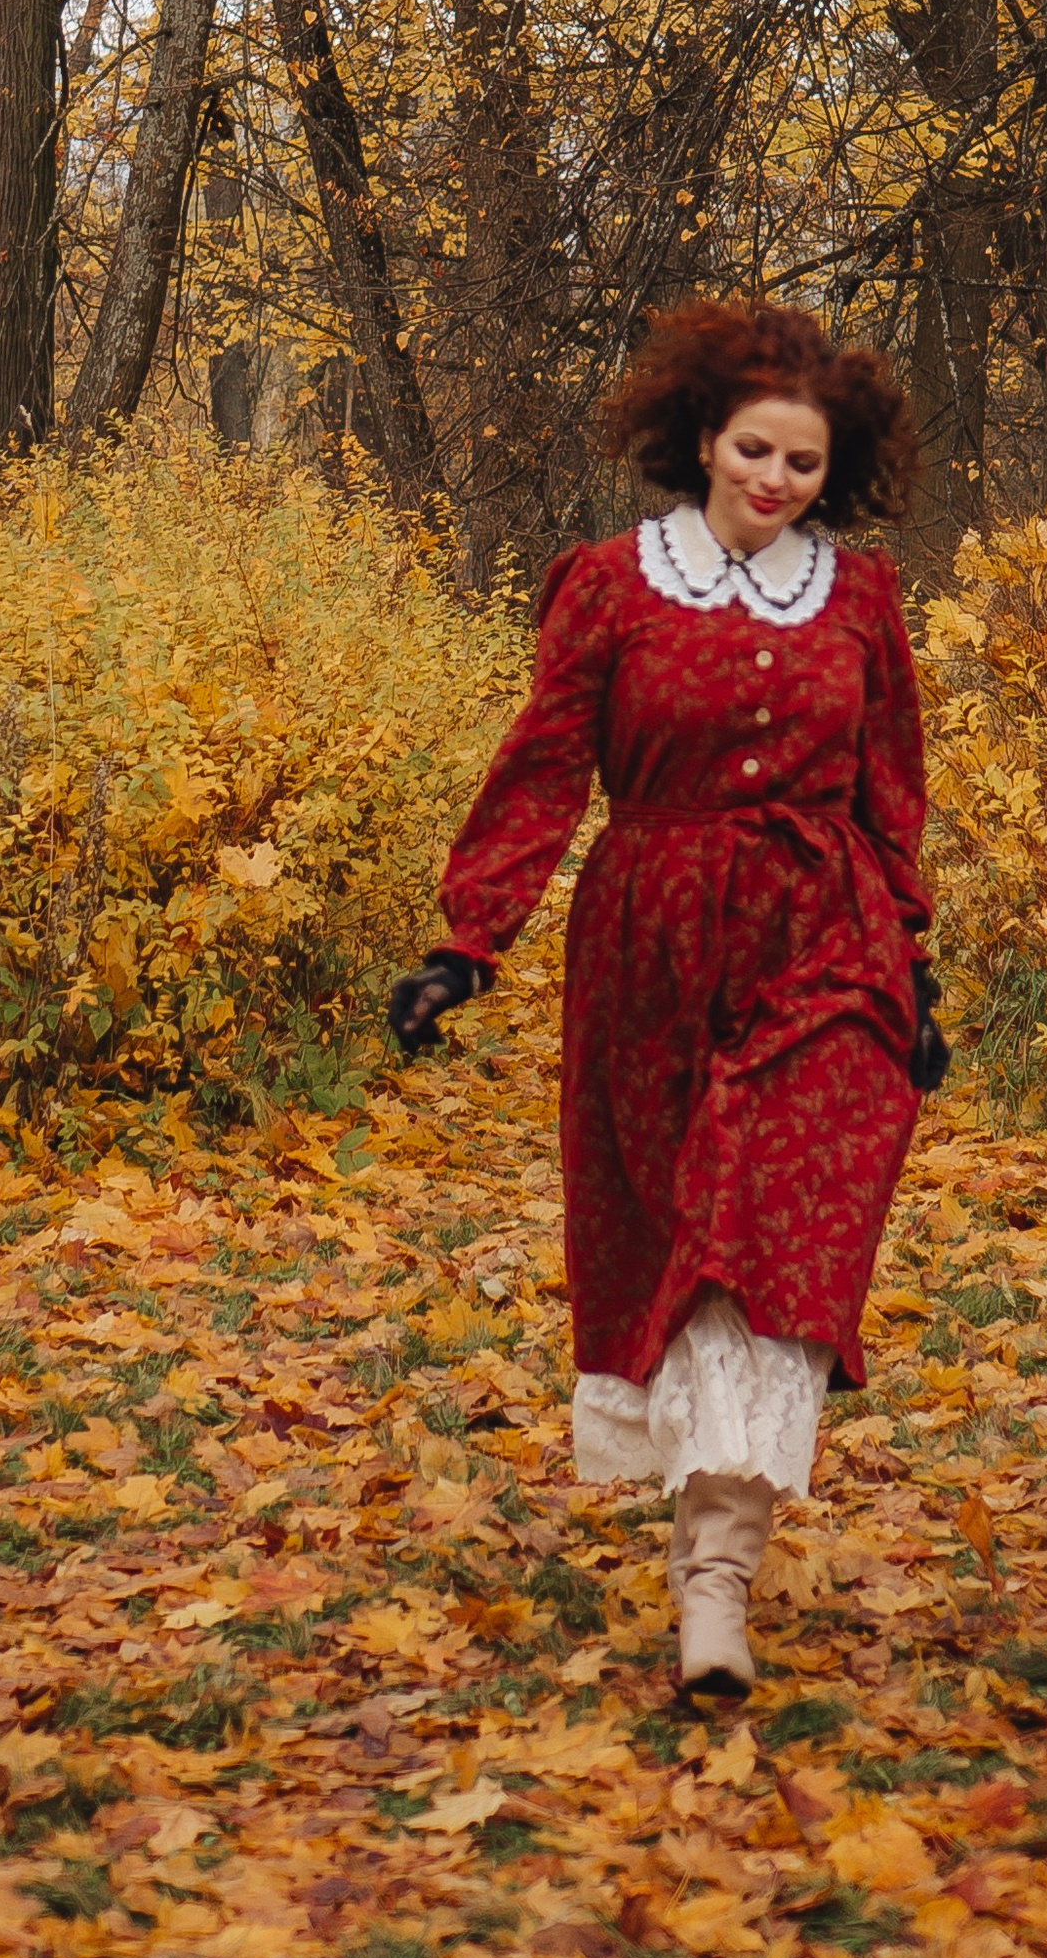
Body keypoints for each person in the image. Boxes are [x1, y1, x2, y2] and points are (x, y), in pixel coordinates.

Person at [390, 302, 944, 1703]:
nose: (775, 479)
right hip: (648, 949)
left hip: (826, 941)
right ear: (704, 439)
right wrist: (472, 942)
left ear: (836, 472)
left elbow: (892, 796)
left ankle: (718, 1585)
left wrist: (914, 969)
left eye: (804, 463)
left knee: (778, 1238)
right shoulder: (610, 587)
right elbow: (544, 766)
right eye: (755, 448)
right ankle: (707, 1556)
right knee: (678, 1238)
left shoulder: (862, 601)